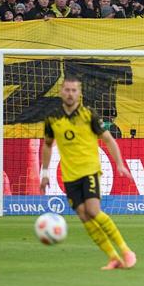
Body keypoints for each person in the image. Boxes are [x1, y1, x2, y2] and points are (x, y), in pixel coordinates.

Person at [39, 75, 136, 270]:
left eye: (74, 90)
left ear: (80, 93)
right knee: (84, 216)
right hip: (69, 175)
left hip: (90, 170)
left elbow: (109, 139)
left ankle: (126, 250)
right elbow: (48, 145)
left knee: (93, 211)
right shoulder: (52, 119)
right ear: (61, 92)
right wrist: (45, 172)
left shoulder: (89, 115)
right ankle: (113, 257)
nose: (70, 94)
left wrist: (119, 164)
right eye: (67, 90)